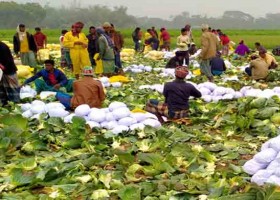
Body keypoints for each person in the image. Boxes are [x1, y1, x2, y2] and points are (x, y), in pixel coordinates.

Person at [0, 41, 20, 105]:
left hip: (9, 69)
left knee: (13, 87)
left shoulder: (3, 47)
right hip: (2, 70)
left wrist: (3, 67)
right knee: (3, 86)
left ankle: (15, 101)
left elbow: (8, 60)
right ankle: (4, 101)